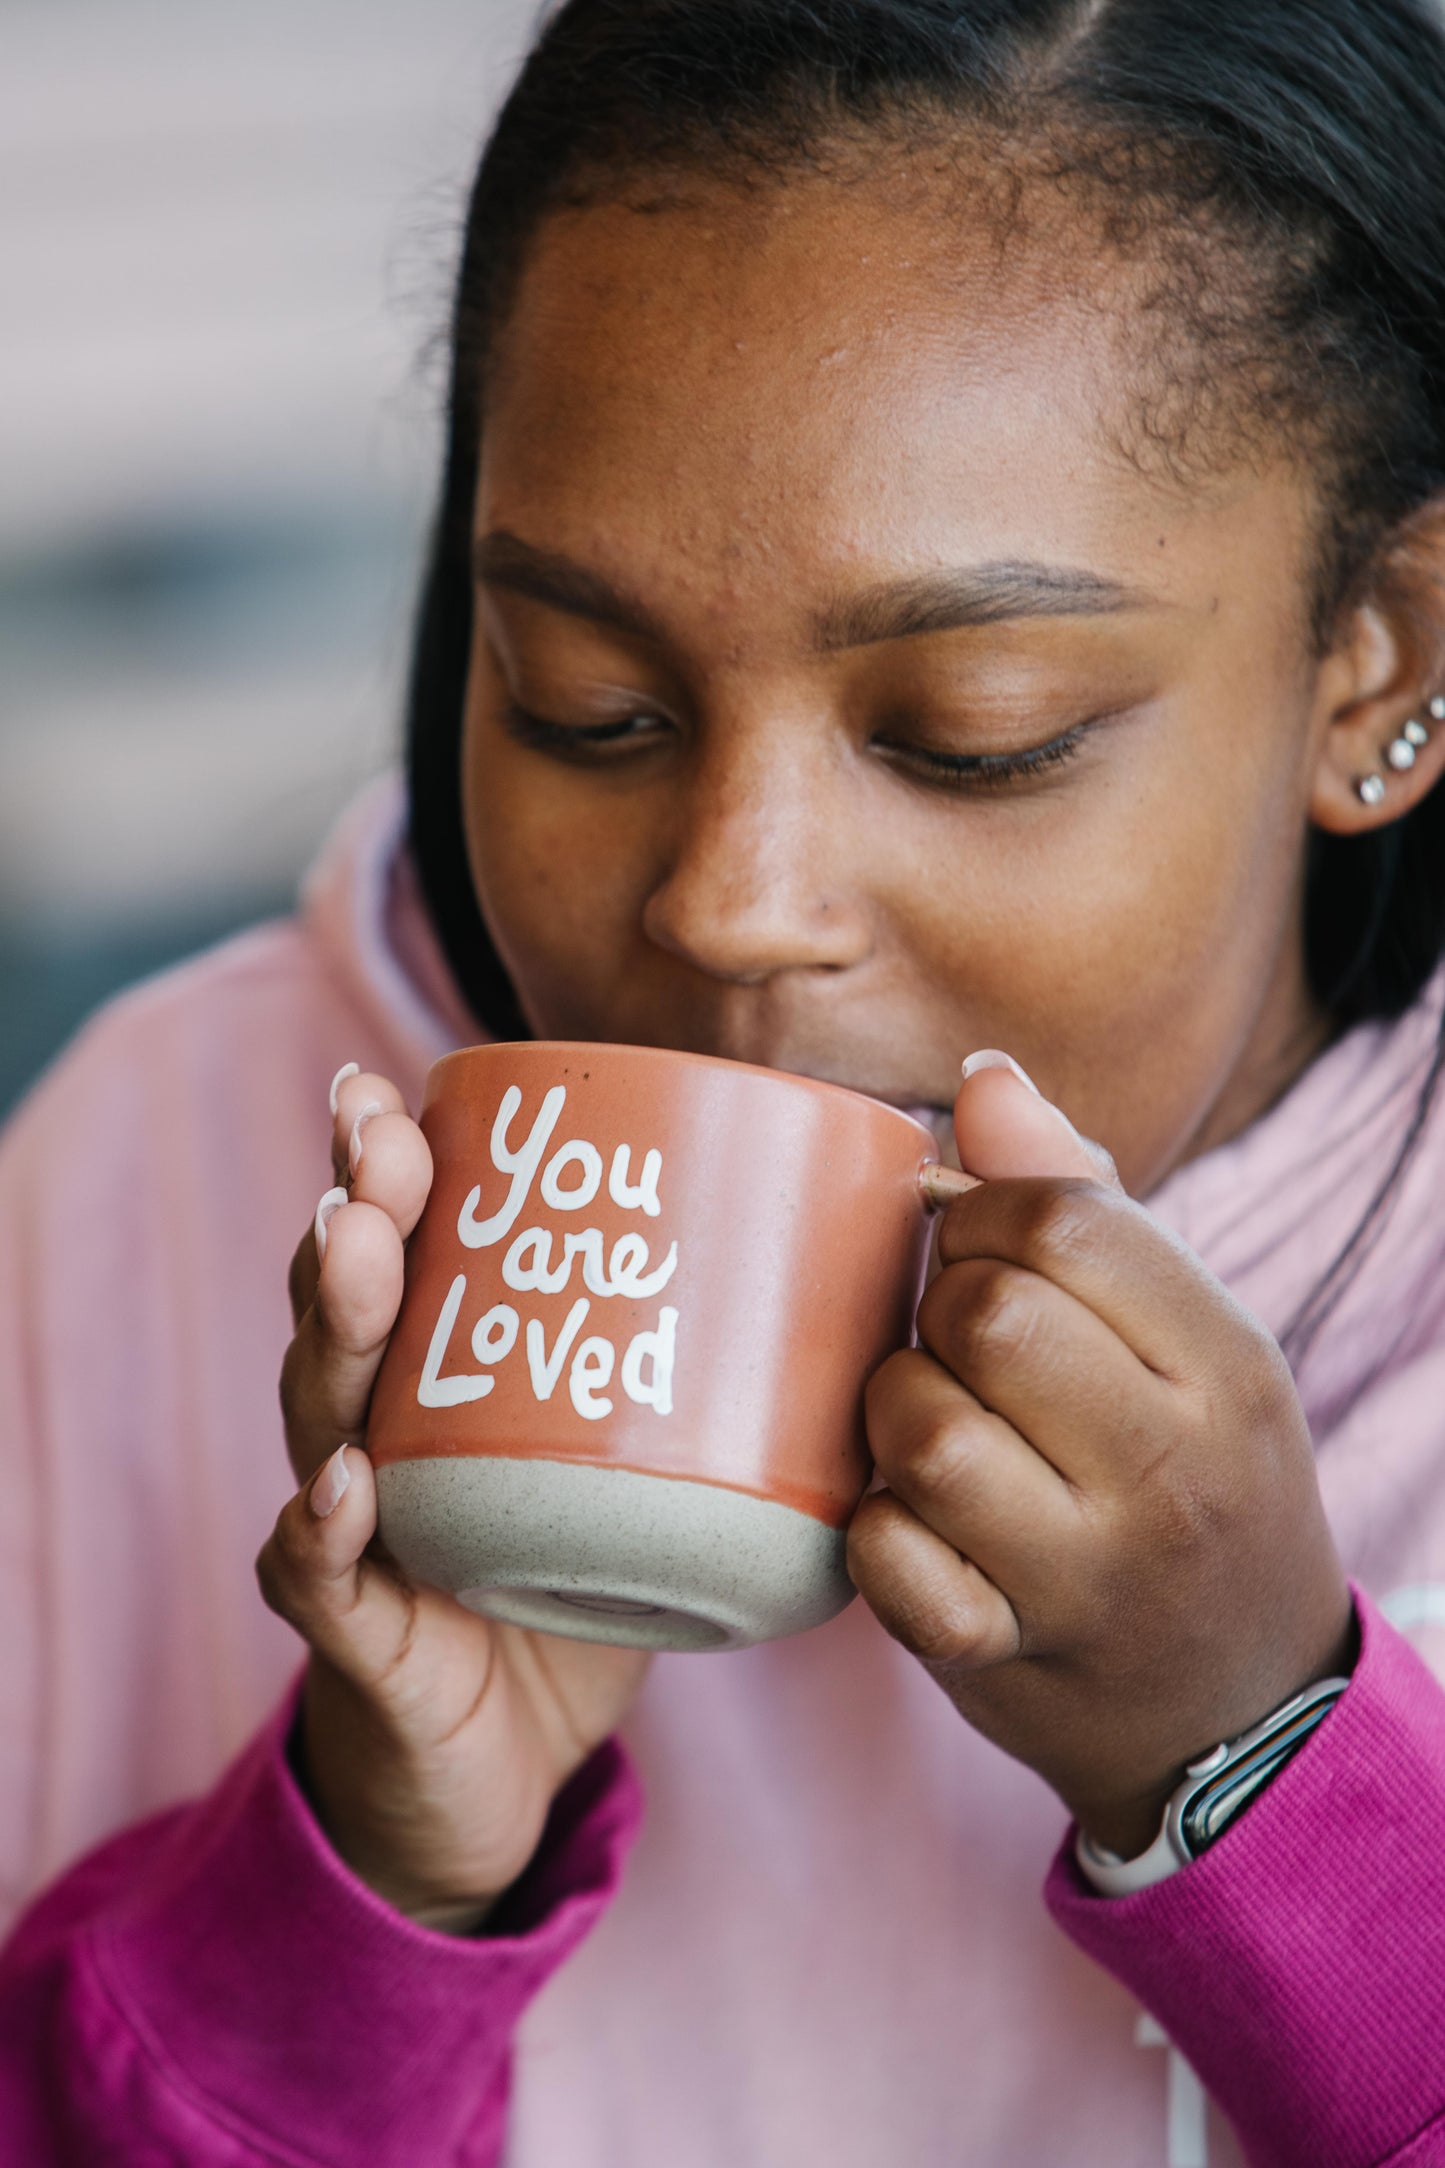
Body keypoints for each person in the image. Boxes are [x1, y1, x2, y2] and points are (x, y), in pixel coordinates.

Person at [3, 0, 1445, 2158]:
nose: (730, 904)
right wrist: (367, 1873)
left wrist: (1257, 1756)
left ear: (1384, 661)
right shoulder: (158, 1171)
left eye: (975, 730)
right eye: (585, 702)